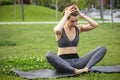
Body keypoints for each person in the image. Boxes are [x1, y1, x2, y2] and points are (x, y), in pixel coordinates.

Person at [46, 4, 106, 74]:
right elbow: (56, 30)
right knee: (49, 54)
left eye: (76, 21)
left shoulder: (78, 28)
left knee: (102, 48)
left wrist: (81, 15)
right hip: (62, 63)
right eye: (72, 21)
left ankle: (86, 68)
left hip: (78, 62)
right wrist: (65, 15)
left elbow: (95, 25)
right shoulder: (60, 30)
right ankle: (74, 71)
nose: (74, 24)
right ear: (66, 19)